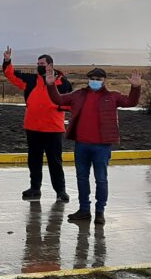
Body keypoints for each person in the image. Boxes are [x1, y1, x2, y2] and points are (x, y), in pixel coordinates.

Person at [46, 67, 142, 225]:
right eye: (92, 79)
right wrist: (51, 85)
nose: (95, 81)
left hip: (102, 147)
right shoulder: (78, 95)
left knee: (101, 179)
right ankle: (84, 210)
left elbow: (131, 102)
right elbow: (59, 100)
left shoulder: (112, 96)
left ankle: (100, 212)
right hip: (81, 145)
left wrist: (136, 87)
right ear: (88, 79)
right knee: (82, 178)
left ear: (104, 81)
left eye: (98, 79)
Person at [3, 48, 73, 202]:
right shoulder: (31, 80)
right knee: (34, 160)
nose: (39, 66)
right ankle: (35, 188)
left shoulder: (63, 83)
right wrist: (7, 61)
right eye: (38, 64)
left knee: (55, 161)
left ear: (50, 65)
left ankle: (60, 191)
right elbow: (11, 75)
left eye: (42, 64)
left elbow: (69, 103)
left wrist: (57, 106)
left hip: (53, 128)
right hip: (33, 127)